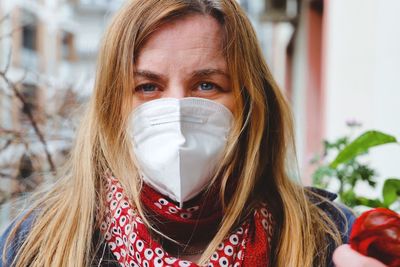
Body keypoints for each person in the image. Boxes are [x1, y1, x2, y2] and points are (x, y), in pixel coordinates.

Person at [0, 0, 388, 266]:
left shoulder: (329, 238)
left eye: (206, 85)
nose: (177, 111)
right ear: (112, 107)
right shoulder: (38, 243)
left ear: (249, 102)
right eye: (147, 87)